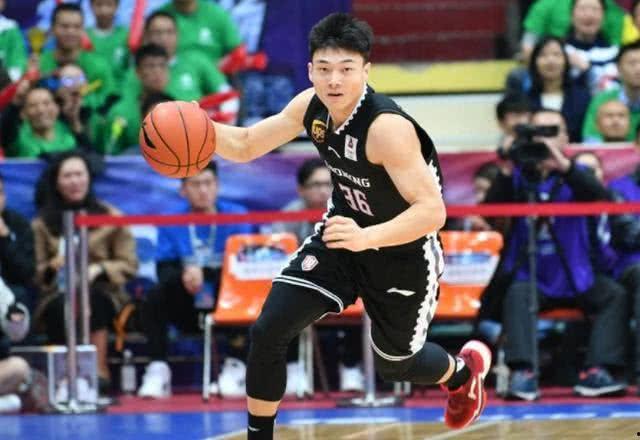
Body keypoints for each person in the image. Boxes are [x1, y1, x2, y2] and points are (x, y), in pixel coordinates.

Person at [205, 13, 492, 437]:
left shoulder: (386, 128)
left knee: (396, 365)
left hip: (402, 252)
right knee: (269, 330)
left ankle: (463, 374)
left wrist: (367, 236)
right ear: (310, 71)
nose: (334, 80)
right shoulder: (311, 106)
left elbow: (432, 212)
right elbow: (247, 144)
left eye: (346, 69)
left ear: (366, 70)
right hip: (342, 237)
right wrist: (197, 128)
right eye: (324, 69)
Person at [485, 109, 627, 400]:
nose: (545, 139)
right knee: (517, 294)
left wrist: (562, 165)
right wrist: (509, 166)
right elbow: (490, 211)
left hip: (578, 273)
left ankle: (597, 371)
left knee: (614, 295)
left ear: (565, 137)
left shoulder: (578, 173)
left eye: (553, 131)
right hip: (533, 274)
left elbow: (599, 196)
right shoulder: (518, 175)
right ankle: (523, 373)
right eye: (539, 132)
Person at [137, 162, 253, 398]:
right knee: (154, 295)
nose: (203, 190)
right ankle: (158, 368)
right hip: (187, 299)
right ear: (183, 190)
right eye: (195, 184)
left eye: (208, 183)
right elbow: (164, 270)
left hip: (225, 298)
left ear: (217, 186)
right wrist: (186, 276)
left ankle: (236, 365)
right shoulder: (171, 220)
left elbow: (244, 267)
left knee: (246, 293)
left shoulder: (237, 216)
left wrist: (206, 273)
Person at [32, 152, 138, 393]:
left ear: (89, 178)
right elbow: (35, 272)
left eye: (79, 174)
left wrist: (99, 269)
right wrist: (51, 267)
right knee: (60, 307)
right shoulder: (41, 224)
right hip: (57, 293)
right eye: (67, 176)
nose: (74, 181)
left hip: (103, 291)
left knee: (93, 301)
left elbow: (129, 264)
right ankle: (65, 377)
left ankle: (98, 373)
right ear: (57, 182)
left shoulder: (111, 217)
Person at [271, 158, 364, 393]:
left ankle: (351, 367)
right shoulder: (287, 217)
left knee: (361, 296)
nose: (323, 191)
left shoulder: (348, 214)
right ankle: (293, 367)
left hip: (340, 283)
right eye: (315, 185)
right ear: (301, 189)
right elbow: (275, 255)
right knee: (284, 297)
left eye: (328, 184)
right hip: (301, 284)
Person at [582, 41, 640, 142]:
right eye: (632, 63)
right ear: (618, 68)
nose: (638, 69)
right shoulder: (602, 100)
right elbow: (591, 139)